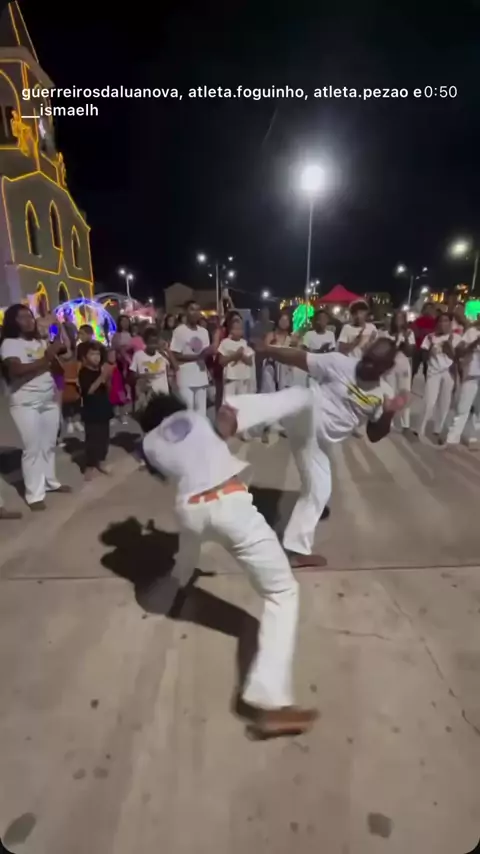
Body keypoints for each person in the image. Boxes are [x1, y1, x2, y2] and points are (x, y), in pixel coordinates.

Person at [141, 393, 318, 738]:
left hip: (191, 511)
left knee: (188, 550)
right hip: (229, 505)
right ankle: (271, 702)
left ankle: (175, 585)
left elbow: (165, 467)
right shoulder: (196, 418)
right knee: (283, 593)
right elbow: (226, 425)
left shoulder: (149, 443)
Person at [230, 337, 404, 567]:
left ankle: (296, 550)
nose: (367, 365)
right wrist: (269, 349)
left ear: (387, 368)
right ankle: (234, 417)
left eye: (374, 363)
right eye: (367, 358)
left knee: (319, 491)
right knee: (301, 397)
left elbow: (374, 434)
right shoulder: (340, 363)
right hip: (306, 413)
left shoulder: (384, 394)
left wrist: (389, 413)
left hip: (315, 442)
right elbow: (300, 358)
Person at [0, 304, 71, 510]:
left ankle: (50, 482)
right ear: (13, 322)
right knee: (32, 448)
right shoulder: (10, 344)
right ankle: (34, 495)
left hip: (48, 399)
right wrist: (47, 356)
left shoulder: (39, 341)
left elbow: (59, 360)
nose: (29, 320)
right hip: (25, 403)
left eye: (30, 316)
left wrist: (56, 349)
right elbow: (16, 370)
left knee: (48, 445)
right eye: (22, 317)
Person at [417, 313, 461, 441]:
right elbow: (423, 356)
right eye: (440, 321)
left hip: (448, 373)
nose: (443, 324)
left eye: (446, 321)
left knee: (444, 403)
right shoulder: (430, 337)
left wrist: (449, 347)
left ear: (450, 323)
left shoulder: (456, 338)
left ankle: (438, 429)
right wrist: (430, 348)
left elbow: (458, 358)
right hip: (433, 373)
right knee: (429, 401)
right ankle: (420, 428)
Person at [170, 300, 213, 414]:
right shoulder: (179, 331)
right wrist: (197, 357)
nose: (195, 313)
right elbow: (175, 354)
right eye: (192, 309)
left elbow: (205, 354)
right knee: (188, 412)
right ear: (186, 312)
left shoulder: (204, 332)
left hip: (201, 377)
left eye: (197, 310)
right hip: (186, 377)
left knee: (201, 413)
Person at [79, 342, 113, 480]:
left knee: (104, 437)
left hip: (104, 407)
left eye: (98, 354)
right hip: (91, 411)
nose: (96, 357)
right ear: (84, 357)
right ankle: (90, 465)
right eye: (92, 354)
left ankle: (101, 461)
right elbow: (88, 391)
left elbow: (109, 389)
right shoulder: (84, 372)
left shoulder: (101, 370)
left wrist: (108, 379)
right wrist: (102, 377)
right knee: (92, 438)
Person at [445, 319, 480, 447]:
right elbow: (460, 351)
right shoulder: (472, 332)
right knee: (463, 407)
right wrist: (475, 342)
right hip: (471, 375)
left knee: (478, 410)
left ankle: (473, 436)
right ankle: (452, 437)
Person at [380, 309, 415, 433]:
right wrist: (395, 341)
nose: (399, 320)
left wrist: (405, 339)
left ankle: (405, 424)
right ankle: (389, 423)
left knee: (404, 394)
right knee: (390, 394)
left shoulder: (409, 333)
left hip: (403, 367)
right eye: (397, 318)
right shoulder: (385, 333)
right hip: (389, 368)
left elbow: (410, 352)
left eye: (401, 318)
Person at [129, 327, 178, 411]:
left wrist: (167, 350)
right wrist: (142, 376)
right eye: (150, 343)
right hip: (147, 396)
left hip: (163, 395)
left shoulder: (162, 354)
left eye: (155, 343)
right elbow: (131, 377)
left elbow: (176, 367)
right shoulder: (138, 355)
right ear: (145, 342)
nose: (153, 346)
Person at [217, 314, 253, 399]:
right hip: (230, 378)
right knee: (229, 401)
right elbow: (221, 361)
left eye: (240, 329)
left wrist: (241, 356)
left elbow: (250, 362)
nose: (238, 331)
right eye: (235, 329)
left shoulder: (244, 343)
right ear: (230, 330)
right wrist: (235, 356)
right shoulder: (225, 342)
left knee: (242, 401)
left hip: (243, 378)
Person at [411, 302, 437, 378]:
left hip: (430, 349)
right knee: (413, 369)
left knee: (428, 371)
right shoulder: (417, 321)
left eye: (431, 308)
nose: (429, 310)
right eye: (427, 308)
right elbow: (416, 333)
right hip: (418, 348)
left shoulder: (437, 322)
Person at [251, 306, 274, 391]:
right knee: (259, 374)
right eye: (263, 313)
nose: (265, 315)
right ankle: (259, 390)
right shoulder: (256, 326)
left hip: (270, 354)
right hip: (259, 354)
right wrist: (261, 342)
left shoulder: (272, 325)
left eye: (267, 313)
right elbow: (252, 340)